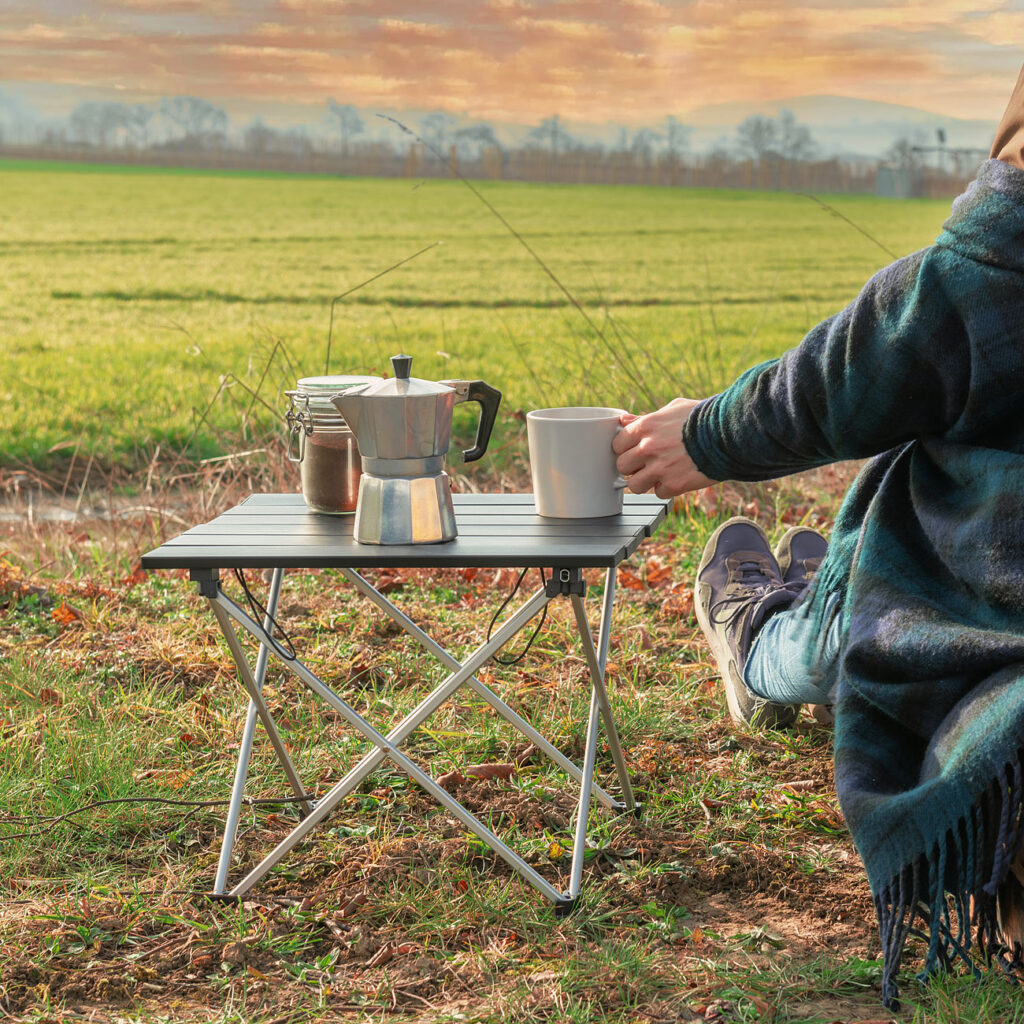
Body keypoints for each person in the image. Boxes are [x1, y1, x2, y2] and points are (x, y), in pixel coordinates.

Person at [613, 66, 1024, 1009]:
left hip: (968, 563)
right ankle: (779, 613)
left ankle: (752, 630)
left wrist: (707, 433)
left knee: (874, 615)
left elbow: (877, 355)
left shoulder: (1002, 260)